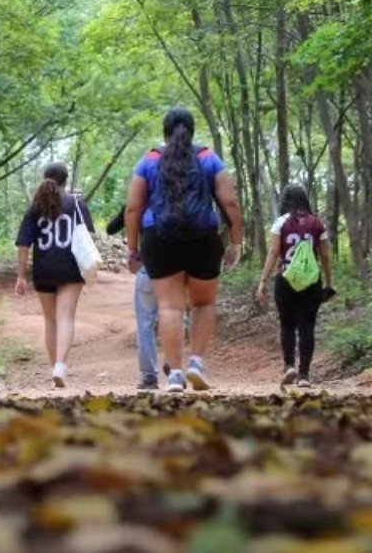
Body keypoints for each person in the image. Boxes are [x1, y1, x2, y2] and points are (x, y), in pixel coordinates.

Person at [124, 107, 244, 392]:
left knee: (169, 306)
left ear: (164, 131)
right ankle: (196, 363)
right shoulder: (208, 158)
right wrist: (236, 240)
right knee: (204, 303)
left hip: (159, 238)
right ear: (192, 131)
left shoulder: (149, 160)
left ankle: (175, 374)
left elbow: (132, 207)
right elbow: (230, 202)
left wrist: (133, 248)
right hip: (203, 238)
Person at [16, 164, 90, 387]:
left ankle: (53, 368)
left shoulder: (35, 207)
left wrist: (21, 275)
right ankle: (60, 365)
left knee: (50, 320)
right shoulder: (76, 203)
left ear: (45, 178)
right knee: (65, 317)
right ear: (65, 180)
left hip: (43, 268)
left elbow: (23, 243)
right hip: (70, 267)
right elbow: (88, 236)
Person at [256, 184, 334, 388]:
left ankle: (289, 364)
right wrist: (328, 281)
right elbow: (324, 254)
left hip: (286, 278)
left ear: (286, 201)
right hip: (311, 281)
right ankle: (304, 376)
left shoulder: (280, 222)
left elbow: (274, 252)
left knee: (287, 324)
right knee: (307, 326)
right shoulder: (317, 223)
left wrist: (263, 281)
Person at [108, 207, 161, 390]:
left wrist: (132, 250)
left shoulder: (137, 202)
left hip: (148, 266)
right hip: (178, 269)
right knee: (175, 315)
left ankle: (149, 376)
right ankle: (176, 369)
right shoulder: (180, 193)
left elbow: (111, 228)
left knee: (145, 324)